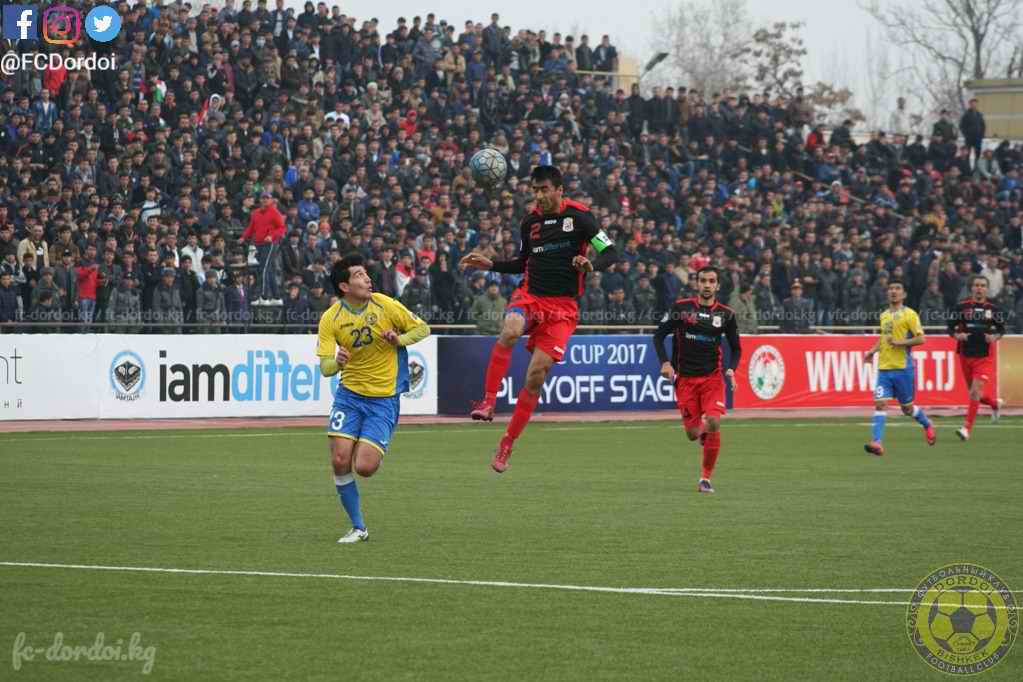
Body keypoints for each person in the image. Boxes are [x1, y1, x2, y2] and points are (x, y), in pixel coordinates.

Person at [459, 165, 618, 473]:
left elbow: (611, 252)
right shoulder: (530, 222)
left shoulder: (581, 217)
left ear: (559, 190)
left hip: (562, 309)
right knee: (510, 330)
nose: (539, 196)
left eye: (544, 190)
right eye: (535, 190)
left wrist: (591, 265)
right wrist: (491, 264)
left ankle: (507, 443)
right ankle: (487, 401)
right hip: (530, 296)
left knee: (535, 376)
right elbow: (522, 262)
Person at [316, 252, 431, 543]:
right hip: (349, 396)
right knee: (340, 460)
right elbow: (325, 367)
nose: (368, 279)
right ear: (344, 286)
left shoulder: (385, 304)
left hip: (383, 399)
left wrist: (399, 340)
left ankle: (367, 441)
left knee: (365, 467)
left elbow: (422, 327)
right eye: (359, 275)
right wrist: (337, 362)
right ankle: (358, 527)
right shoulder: (331, 318)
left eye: (366, 274)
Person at [653, 267, 741, 494]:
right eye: (703, 280)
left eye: (711, 281)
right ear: (697, 283)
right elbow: (659, 335)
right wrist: (665, 362)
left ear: (717, 286)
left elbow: (736, 348)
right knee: (693, 434)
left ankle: (705, 479)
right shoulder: (681, 308)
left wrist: (731, 369)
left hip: (712, 378)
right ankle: (702, 434)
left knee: (713, 421)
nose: (707, 285)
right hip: (685, 380)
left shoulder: (726, 315)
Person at [862, 281, 935, 456]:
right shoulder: (884, 315)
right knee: (880, 404)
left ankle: (927, 424)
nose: (893, 291)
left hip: (903, 369)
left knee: (907, 409)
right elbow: (883, 338)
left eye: (897, 289)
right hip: (884, 368)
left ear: (904, 294)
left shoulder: (910, 314)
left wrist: (900, 343)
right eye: (891, 289)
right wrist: (871, 351)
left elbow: (921, 339)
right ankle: (877, 442)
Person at [947, 276, 1006, 441]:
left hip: (985, 356)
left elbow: (1002, 330)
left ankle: (966, 429)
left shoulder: (994, 309)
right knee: (974, 394)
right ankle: (995, 404)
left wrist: (994, 337)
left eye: (983, 285)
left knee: (975, 391)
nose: (979, 288)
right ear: (971, 288)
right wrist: (957, 335)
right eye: (976, 285)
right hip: (965, 354)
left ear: (987, 289)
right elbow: (950, 328)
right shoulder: (961, 307)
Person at [240, 191, 286, 305]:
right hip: (258, 244)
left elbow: (281, 228)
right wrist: (243, 237)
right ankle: (276, 297)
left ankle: (263, 296)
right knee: (268, 270)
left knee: (263, 269)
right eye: (263, 198)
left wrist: (271, 236)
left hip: (270, 244)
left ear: (271, 200)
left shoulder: (275, 213)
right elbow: (251, 227)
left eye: (267, 198)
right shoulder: (255, 213)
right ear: (260, 200)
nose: (265, 200)